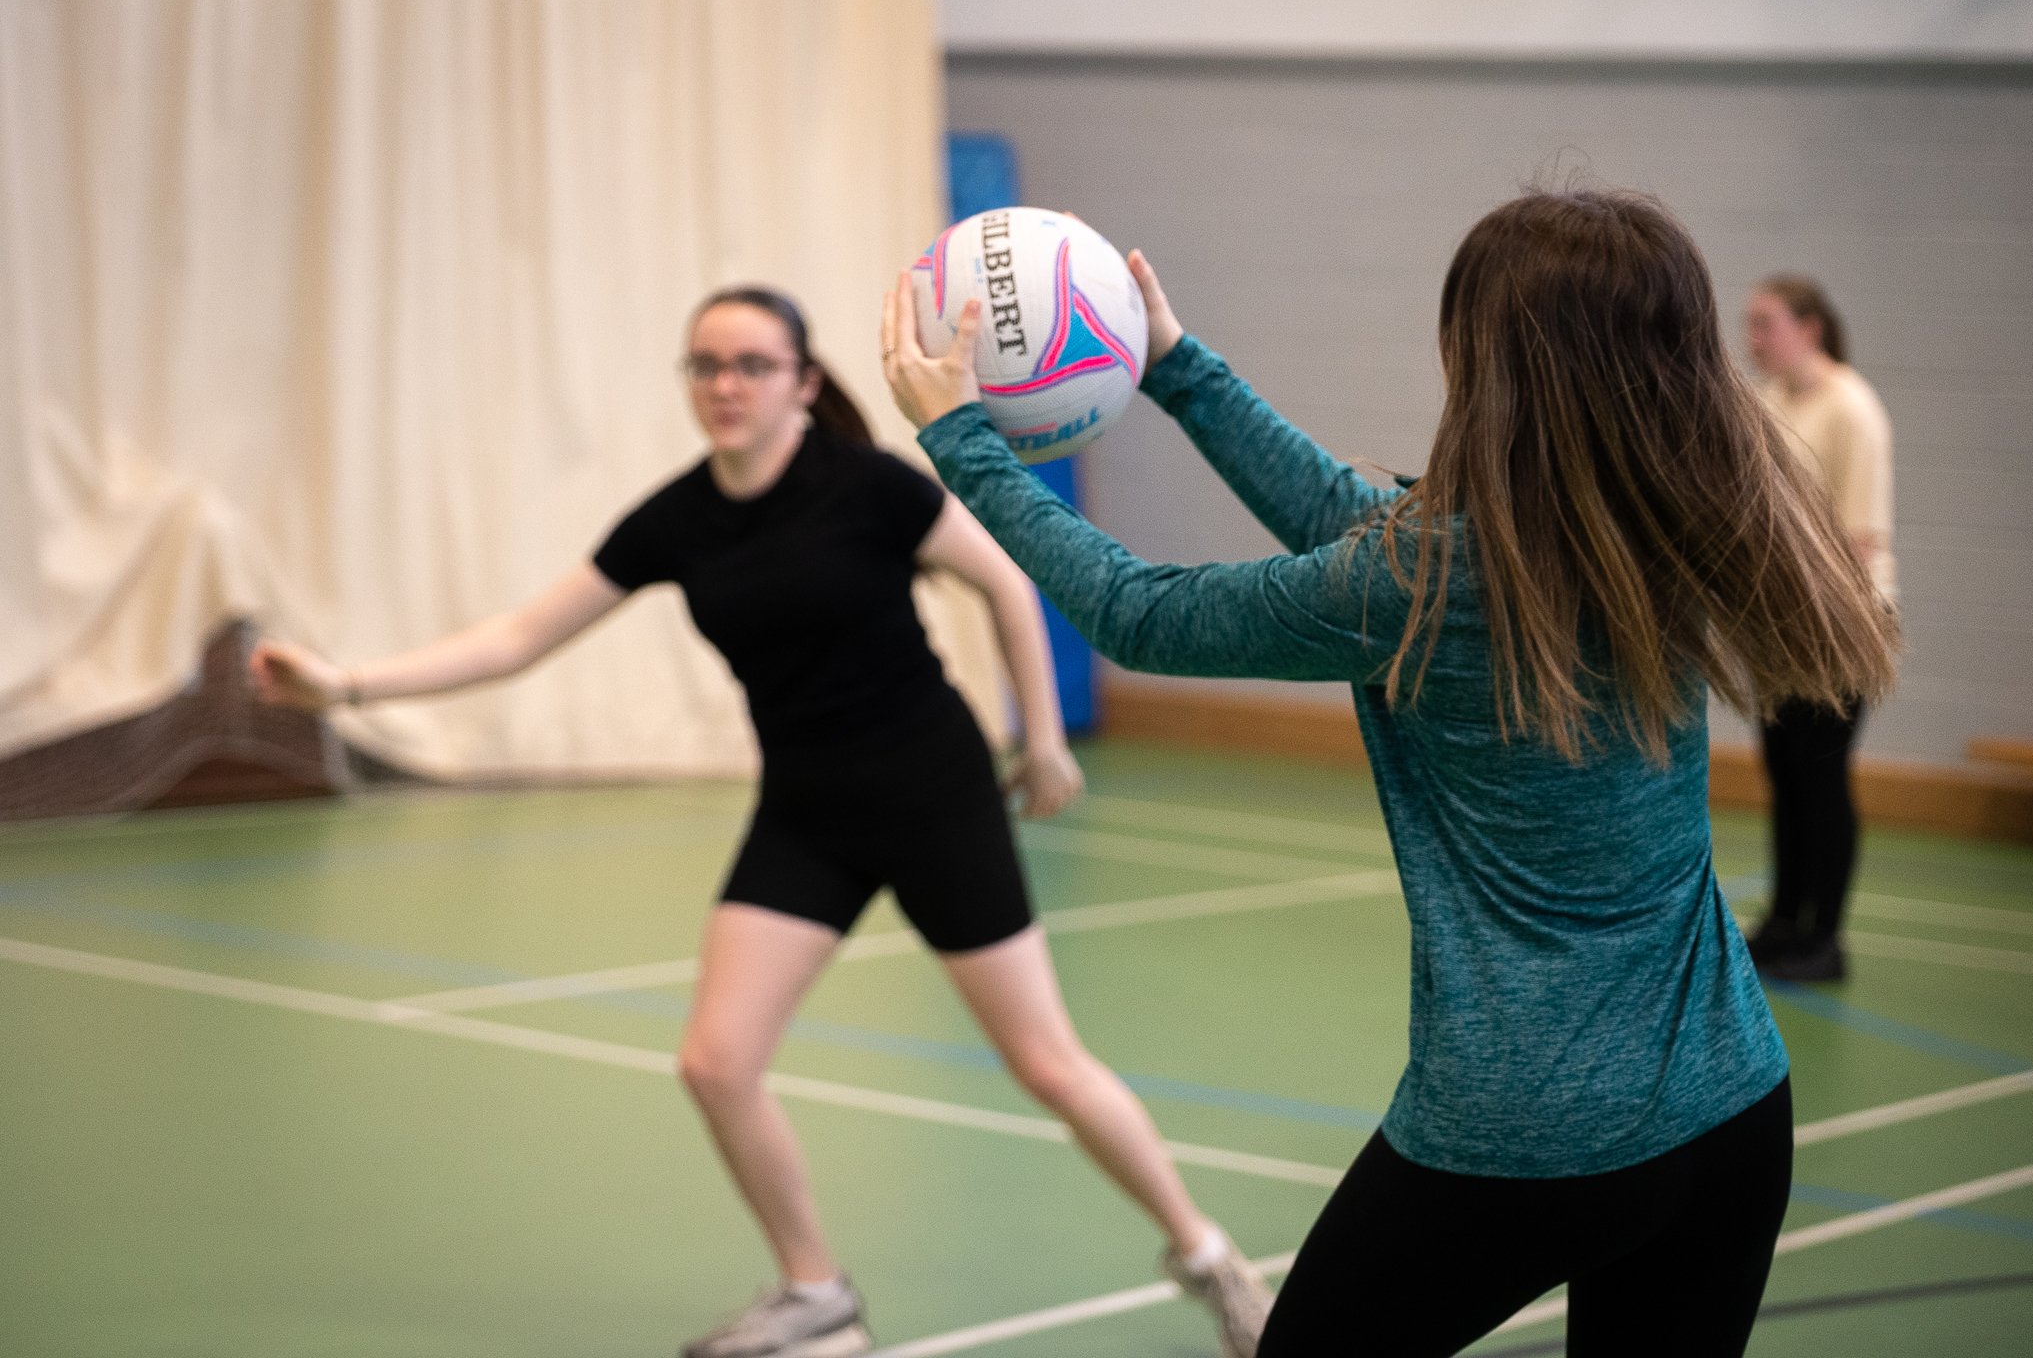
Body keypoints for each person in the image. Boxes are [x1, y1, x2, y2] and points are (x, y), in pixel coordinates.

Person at [881, 189, 1898, 1357]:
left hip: (1531, 1129)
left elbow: (1135, 612)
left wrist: (959, 437)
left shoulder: (1431, 572)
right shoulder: (1650, 519)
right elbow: (1348, 516)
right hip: (1730, 1113)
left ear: (1492, 362)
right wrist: (1172, 365)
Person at [250, 287, 1272, 1358]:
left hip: (931, 791)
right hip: (806, 807)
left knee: (1046, 1065)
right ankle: (815, 1297)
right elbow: (518, 637)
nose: (726, 386)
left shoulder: (870, 487)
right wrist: (347, 687)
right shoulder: (677, 519)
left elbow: (1003, 586)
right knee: (715, 1062)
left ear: (803, 380)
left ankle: (1206, 1257)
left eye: (750, 364)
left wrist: (1043, 740)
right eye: (706, 366)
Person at [1743, 275, 1896, 982]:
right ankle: (1784, 919)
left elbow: (1859, 540)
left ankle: (1826, 937)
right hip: (1781, 625)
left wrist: (1810, 615)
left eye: (1765, 323)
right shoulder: (1772, 403)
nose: (1753, 339)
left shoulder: (1853, 409)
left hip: (1839, 623)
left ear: (1809, 328)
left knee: (1823, 775)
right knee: (1785, 771)